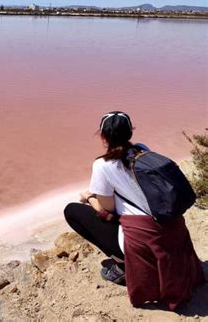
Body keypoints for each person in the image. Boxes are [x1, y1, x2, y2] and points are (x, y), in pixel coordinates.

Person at [64, 111, 205, 310]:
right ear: (131, 133)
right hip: (171, 228)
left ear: (103, 137)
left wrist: (89, 197)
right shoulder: (143, 150)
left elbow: (108, 208)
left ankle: (122, 263)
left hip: (142, 237)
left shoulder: (102, 165)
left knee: (72, 211)